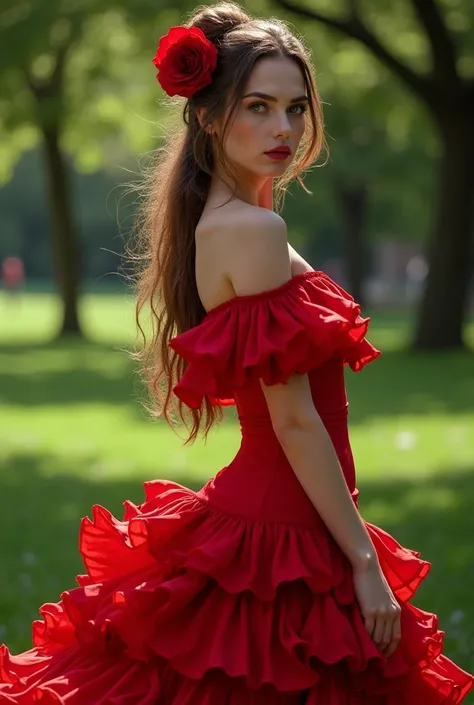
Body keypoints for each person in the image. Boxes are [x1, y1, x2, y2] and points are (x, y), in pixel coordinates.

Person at [0, 3, 472, 703]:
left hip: (290, 523)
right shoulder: (249, 229)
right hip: (281, 537)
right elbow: (293, 420)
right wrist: (364, 560)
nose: (283, 128)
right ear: (211, 117)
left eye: (295, 107)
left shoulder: (233, 220)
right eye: (259, 106)